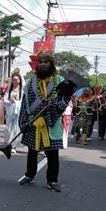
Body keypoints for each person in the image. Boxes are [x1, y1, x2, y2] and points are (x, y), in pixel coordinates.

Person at [18, 50, 74, 192]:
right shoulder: (30, 83)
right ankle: (29, 175)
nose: (42, 64)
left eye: (46, 62)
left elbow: (65, 100)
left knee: (52, 153)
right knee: (32, 151)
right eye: (41, 62)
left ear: (51, 64)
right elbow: (25, 103)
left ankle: (52, 180)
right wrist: (24, 121)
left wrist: (53, 110)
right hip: (34, 122)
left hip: (51, 122)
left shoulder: (61, 81)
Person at [3, 71, 24, 153]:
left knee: (16, 128)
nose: (15, 81)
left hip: (18, 110)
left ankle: (14, 146)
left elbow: (23, 100)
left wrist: (17, 102)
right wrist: (11, 101)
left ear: (20, 80)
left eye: (16, 80)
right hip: (11, 109)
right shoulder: (9, 90)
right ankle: (8, 143)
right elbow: (5, 99)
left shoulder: (22, 90)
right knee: (9, 127)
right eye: (13, 80)